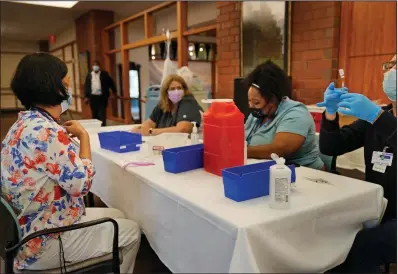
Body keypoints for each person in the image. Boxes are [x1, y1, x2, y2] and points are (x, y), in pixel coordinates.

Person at [1, 53, 140, 272]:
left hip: (25, 229)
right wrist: (84, 137)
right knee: (131, 230)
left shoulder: (21, 124)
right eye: (65, 84)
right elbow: (82, 185)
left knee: (117, 215)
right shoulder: (48, 132)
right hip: (42, 242)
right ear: (51, 87)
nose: (69, 91)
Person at [318, 55, 396, 273]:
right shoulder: (378, 118)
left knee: (357, 247)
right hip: (376, 209)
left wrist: (377, 116)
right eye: (390, 65)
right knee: (330, 233)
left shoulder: (379, 117)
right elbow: (331, 147)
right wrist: (331, 113)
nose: (392, 71)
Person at [244, 60, 324, 170]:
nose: (251, 106)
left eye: (256, 102)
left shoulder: (296, 113)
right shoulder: (257, 115)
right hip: (265, 171)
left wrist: (239, 151)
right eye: (250, 101)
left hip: (304, 175)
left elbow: (279, 150)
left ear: (272, 99)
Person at [132, 74, 202, 136]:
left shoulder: (188, 101)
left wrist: (150, 131)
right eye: (172, 89)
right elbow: (150, 122)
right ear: (166, 92)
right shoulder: (163, 103)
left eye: (179, 88)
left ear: (184, 89)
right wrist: (142, 129)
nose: (176, 91)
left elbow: (183, 129)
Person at [84, 60, 117, 126]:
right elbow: (87, 86)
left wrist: (114, 92)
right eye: (94, 65)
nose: (95, 66)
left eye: (96, 65)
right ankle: (95, 128)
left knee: (102, 114)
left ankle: (103, 128)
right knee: (94, 114)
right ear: (92, 67)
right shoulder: (89, 75)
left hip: (102, 97)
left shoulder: (104, 74)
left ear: (99, 66)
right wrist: (86, 96)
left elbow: (111, 83)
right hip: (93, 97)